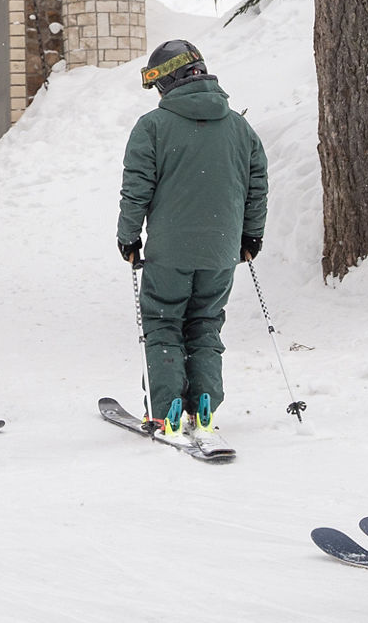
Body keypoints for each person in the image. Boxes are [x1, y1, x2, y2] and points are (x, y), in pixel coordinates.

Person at [116, 39, 268, 448]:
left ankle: (166, 411)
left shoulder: (152, 126)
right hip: (222, 250)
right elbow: (257, 186)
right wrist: (251, 234)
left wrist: (128, 236)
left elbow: (137, 190)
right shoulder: (239, 126)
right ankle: (204, 403)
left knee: (164, 322)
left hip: (170, 250)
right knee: (205, 324)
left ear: (169, 80)